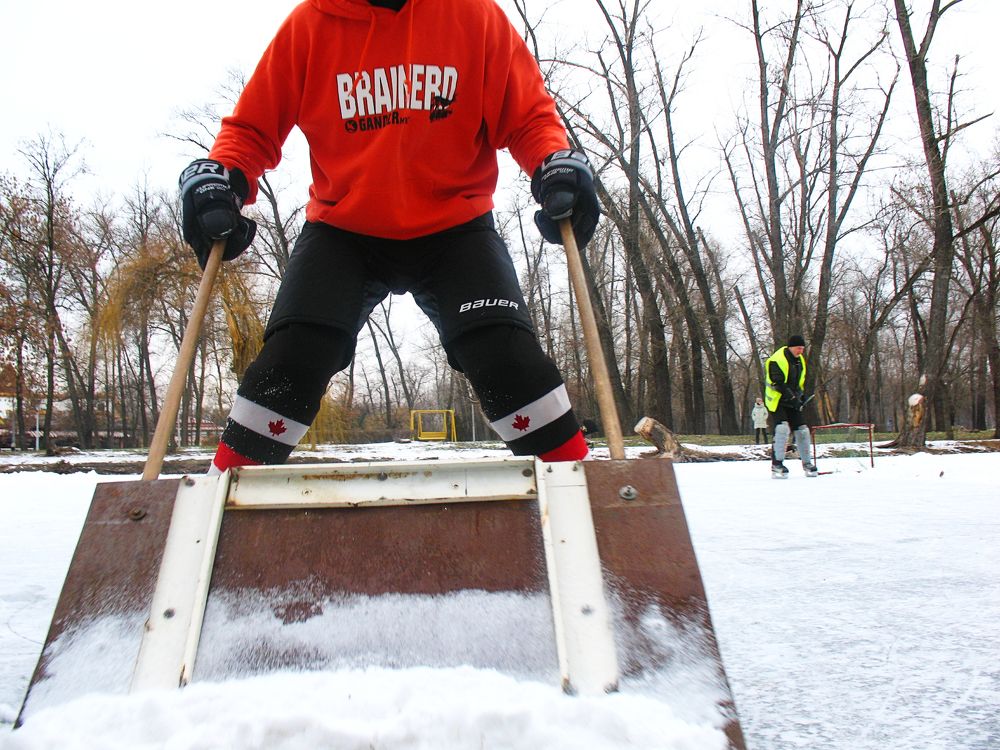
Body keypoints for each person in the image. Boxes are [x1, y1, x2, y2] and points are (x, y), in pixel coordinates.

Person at [178, 0, 601, 475]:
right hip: (344, 230)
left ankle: (586, 510)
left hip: (454, 226)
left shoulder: (473, 15)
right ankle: (216, 514)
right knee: (291, 361)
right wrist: (221, 179)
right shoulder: (310, 26)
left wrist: (554, 162)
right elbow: (252, 130)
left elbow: (527, 117)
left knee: (507, 360)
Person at [764, 334, 817, 478]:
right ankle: (777, 464)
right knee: (782, 428)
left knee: (803, 430)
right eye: (798, 348)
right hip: (777, 401)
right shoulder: (776, 360)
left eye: (802, 348)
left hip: (792, 400)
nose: (801, 351)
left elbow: (799, 382)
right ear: (791, 347)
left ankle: (807, 463)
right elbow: (778, 383)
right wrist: (792, 398)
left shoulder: (799, 361)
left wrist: (801, 396)